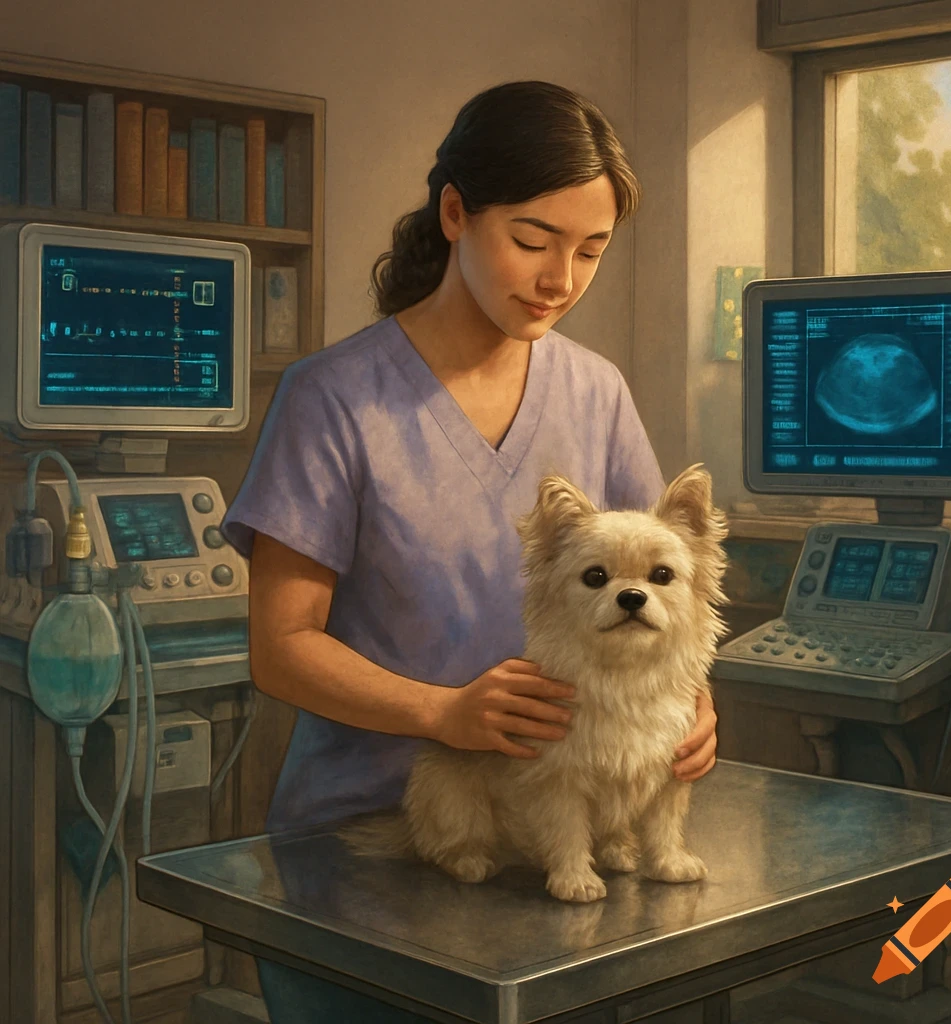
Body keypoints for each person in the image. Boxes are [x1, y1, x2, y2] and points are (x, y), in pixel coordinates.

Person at [221, 79, 719, 1024]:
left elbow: (666, 582)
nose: (560, 278)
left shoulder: (597, 392)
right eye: (532, 240)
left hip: (554, 848)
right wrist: (442, 713)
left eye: (591, 251)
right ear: (455, 212)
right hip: (371, 847)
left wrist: (693, 706)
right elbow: (279, 646)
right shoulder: (334, 399)